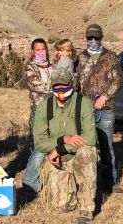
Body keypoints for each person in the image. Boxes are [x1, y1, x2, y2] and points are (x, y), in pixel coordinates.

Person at [33, 67, 97, 224]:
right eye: (56, 87)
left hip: (77, 154)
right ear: (52, 87)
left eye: (65, 86)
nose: (61, 91)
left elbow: (90, 138)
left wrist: (60, 148)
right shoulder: (44, 106)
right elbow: (39, 142)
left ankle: (86, 207)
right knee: (63, 206)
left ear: (72, 84)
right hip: (57, 158)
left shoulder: (84, 103)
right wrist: (62, 140)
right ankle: (73, 189)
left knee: (86, 153)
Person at [77, 23, 123, 193]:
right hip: (84, 110)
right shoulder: (80, 58)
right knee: (87, 145)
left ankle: (110, 180)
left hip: (105, 109)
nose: (93, 40)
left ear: (101, 37)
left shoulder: (111, 57)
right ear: (86, 38)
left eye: (96, 37)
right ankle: (88, 180)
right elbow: (75, 84)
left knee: (106, 145)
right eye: (90, 37)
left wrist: (105, 96)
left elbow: (118, 79)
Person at [22, 38, 53, 194]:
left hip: (55, 111)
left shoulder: (52, 65)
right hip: (40, 111)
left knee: (50, 145)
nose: (41, 52)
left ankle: (44, 177)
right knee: (41, 146)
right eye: (38, 50)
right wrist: (58, 88)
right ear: (33, 52)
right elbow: (36, 85)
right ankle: (29, 178)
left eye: (43, 49)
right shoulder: (29, 67)